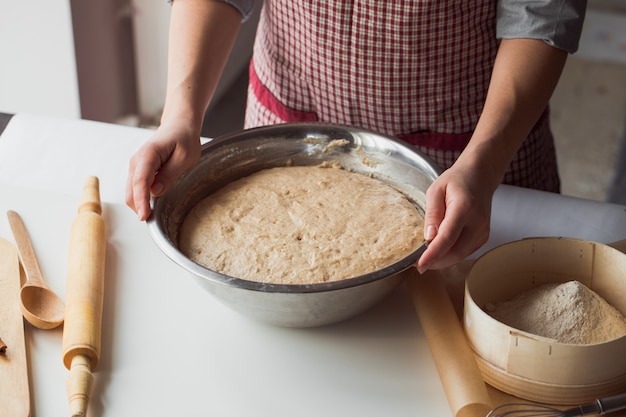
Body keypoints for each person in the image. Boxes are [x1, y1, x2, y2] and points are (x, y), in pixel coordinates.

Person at [126, 0, 586, 274]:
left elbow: (539, 13)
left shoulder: (480, 161)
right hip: (289, 126)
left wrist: (482, 162)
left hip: (473, 154)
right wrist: (181, 116)